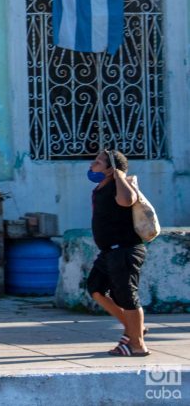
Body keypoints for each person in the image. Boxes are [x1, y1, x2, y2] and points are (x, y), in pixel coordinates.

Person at [85, 149, 149, 357]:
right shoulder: (101, 187)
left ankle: (137, 344)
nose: (92, 166)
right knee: (95, 288)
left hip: (125, 249)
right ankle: (134, 329)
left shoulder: (119, 184)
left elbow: (127, 200)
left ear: (111, 169)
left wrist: (120, 176)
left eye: (97, 163)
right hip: (109, 252)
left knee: (127, 296)